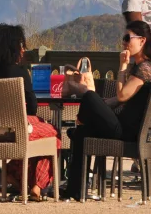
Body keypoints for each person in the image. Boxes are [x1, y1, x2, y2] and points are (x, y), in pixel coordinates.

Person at [63, 20, 151, 201]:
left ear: (142, 41)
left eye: (128, 38)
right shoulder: (141, 67)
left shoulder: (145, 68)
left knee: (87, 95)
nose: (124, 43)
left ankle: (81, 112)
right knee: (82, 134)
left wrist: (122, 66)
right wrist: (100, 106)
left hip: (126, 133)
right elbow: (116, 101)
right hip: (122, 126)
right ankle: (74, 191)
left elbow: (121, 96)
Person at [0, 23, 59, 201]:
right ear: (13, 48)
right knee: (53, 135)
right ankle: (35, 185)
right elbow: (31, 108)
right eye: (21, 46)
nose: (23, 50)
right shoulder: (19, 73)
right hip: (16, 132)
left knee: (42, 132)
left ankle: (17, 178)